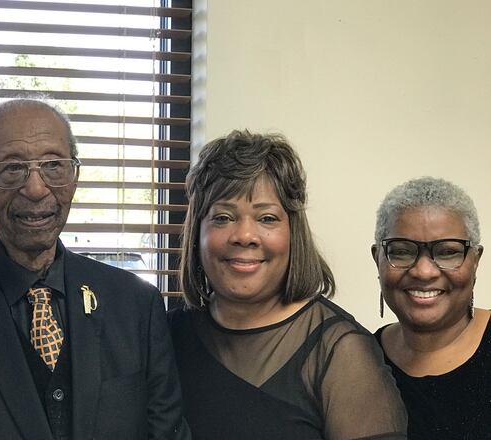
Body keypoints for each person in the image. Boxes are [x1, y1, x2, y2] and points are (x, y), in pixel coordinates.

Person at [0, 98, 189, 440]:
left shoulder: (134, 304)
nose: (36, 188)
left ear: (74, 176)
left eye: (54, 165)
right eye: (12, 168)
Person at [169, 130, 407, 439]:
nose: (244, 235)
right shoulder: (166, 337)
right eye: (223, 217)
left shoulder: (340, 352)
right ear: (197, 232)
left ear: (293, 232)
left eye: (266, 218)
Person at [372, 177, 489, 439]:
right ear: (377, 259)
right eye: (401, 251)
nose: (424, 272)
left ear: (475, 260)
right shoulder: (361, 360)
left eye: (448, 251)